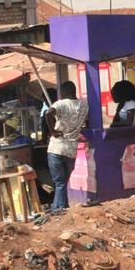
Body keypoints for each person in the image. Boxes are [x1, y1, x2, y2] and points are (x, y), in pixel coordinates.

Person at [43, 81, 87, 212]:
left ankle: (61, 208)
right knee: (62, 183)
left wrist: (53, 131)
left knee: (59, 182)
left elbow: (48, 113)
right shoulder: (84, 105)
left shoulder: (61, 103)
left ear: (63, 92)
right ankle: (57, 207)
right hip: (71, 149)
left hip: (56, 147)